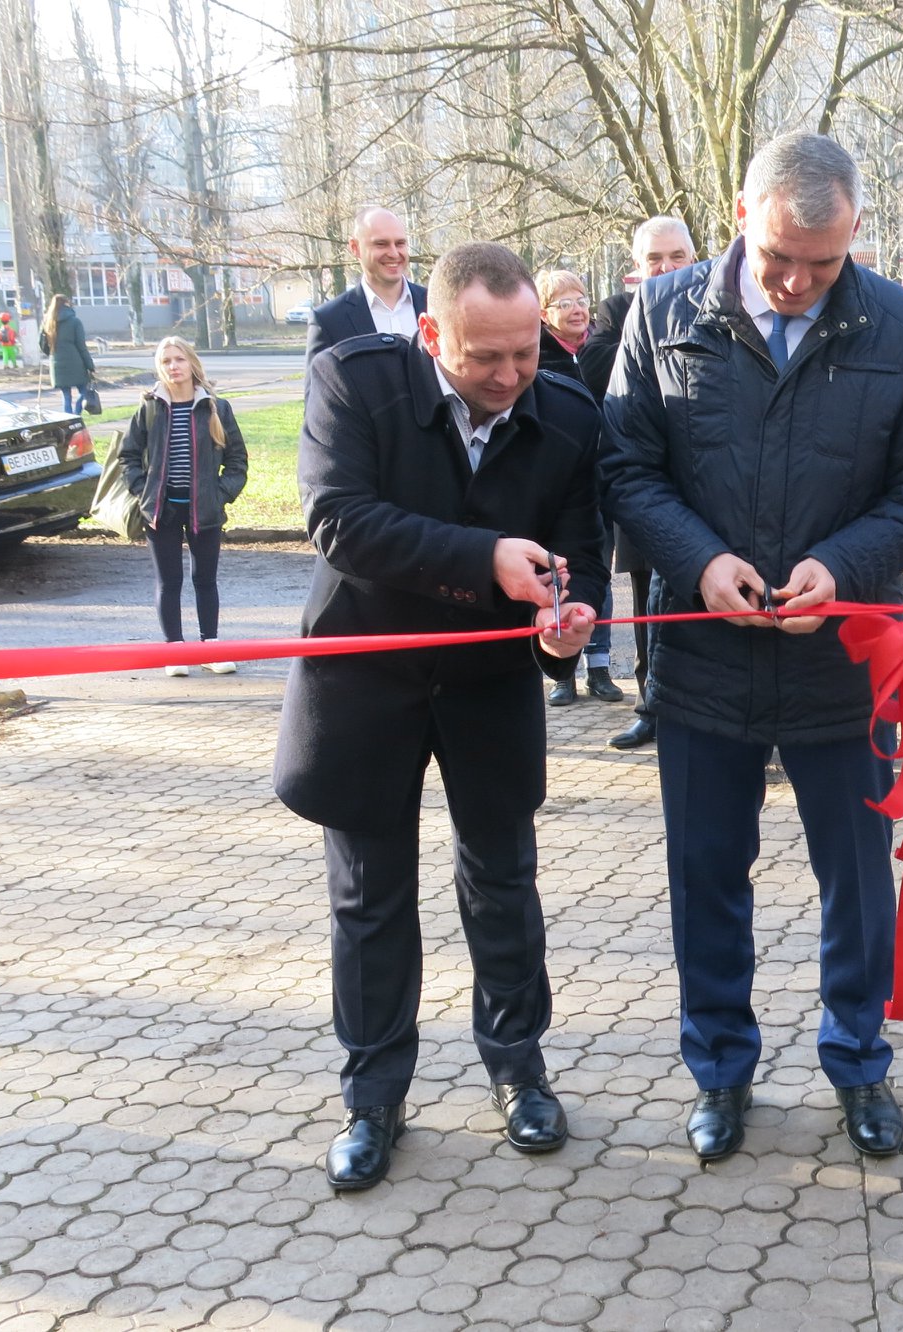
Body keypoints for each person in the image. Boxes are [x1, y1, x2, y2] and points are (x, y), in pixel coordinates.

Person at [600, 132, 903, 1164]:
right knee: (706, 874)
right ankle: (719, 1068)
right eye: (779, 260)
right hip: (703, 664)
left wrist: (842, 568)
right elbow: (626, 469)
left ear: (853, 237)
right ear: (740, 212)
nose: (800, 283)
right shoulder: (661, 315)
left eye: (824, 262)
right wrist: (697, 561)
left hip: (843, 663)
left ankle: (857, 1060)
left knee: (856, 880)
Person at [274, 241, 608, 1191]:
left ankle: (519, 1070)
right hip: (364, 680)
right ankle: (373, 1095)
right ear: (430, 333)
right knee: (370, 899)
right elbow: (337, 519)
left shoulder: (571, 413)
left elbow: (580, 546)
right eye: (482, 359)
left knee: (502, 884)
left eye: (525, 355)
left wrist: (566, 622)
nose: (508, 379)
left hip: (488, 685)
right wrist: (487, 558)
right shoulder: (352, 379)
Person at [582, 215, 699, 751]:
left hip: (705, 486)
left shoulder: (717, 309)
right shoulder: (616, 314)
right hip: (645, 482)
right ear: (636, 267)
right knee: (647, 602)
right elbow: (598, 367)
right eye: (655, 259)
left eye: (677, 257)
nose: (667, 267)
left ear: (694, 257)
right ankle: (650, 703)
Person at [117, 338, 248, 677]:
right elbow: (128, 456)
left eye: (179, 359)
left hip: (204, 509)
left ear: (192, 363)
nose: (173, 366)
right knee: (169, 580)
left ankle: (210, 646)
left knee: (205, 579)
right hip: (161, 509)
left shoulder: (216, 407)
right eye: (166, 361)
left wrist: (220, 494)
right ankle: (175, 649)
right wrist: (142, 492)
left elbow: (237, 461)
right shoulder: (149, 408)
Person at [535, 269, 622, 707]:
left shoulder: (602, 353)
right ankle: (562, 674)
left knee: (598, 577)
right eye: (563, 302)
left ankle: (601, 667)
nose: (576, 308)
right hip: (557, 492)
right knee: (561, 578)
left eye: (581, 298)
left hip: (600, 485)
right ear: (544, 314)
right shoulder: (537, 358)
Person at [305, 205, 428, 364]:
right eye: (381, 244)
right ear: (355, 247)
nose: (393, 253)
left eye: (400, 243)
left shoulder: (436, 306)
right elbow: (317, 388)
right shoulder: (329, 321)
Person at [39, 295, 95, 416]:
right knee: (84, 391)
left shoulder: (47, 322)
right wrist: (90, 365)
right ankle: (77, 414)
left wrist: (52, 355)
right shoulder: (74, 321)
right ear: (66, 303)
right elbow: (81, 346)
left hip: (56, 362)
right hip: (75, 362)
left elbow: (42, 344)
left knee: (66, 395)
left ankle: (68, 417)